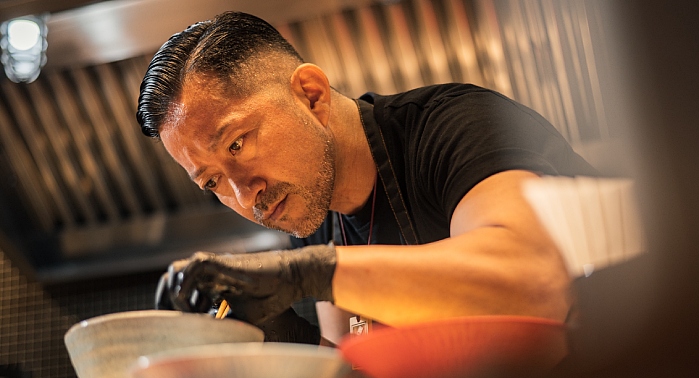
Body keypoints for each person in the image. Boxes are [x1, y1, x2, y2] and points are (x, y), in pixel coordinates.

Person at [137, 11, 599, 341]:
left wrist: (308, 275)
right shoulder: (311, 211)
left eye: (237, 144)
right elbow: (361, 372)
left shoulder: (456, 126)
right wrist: (286, 341)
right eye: (212, 182)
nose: (244, 194)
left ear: (311, 95)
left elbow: (536, 283)